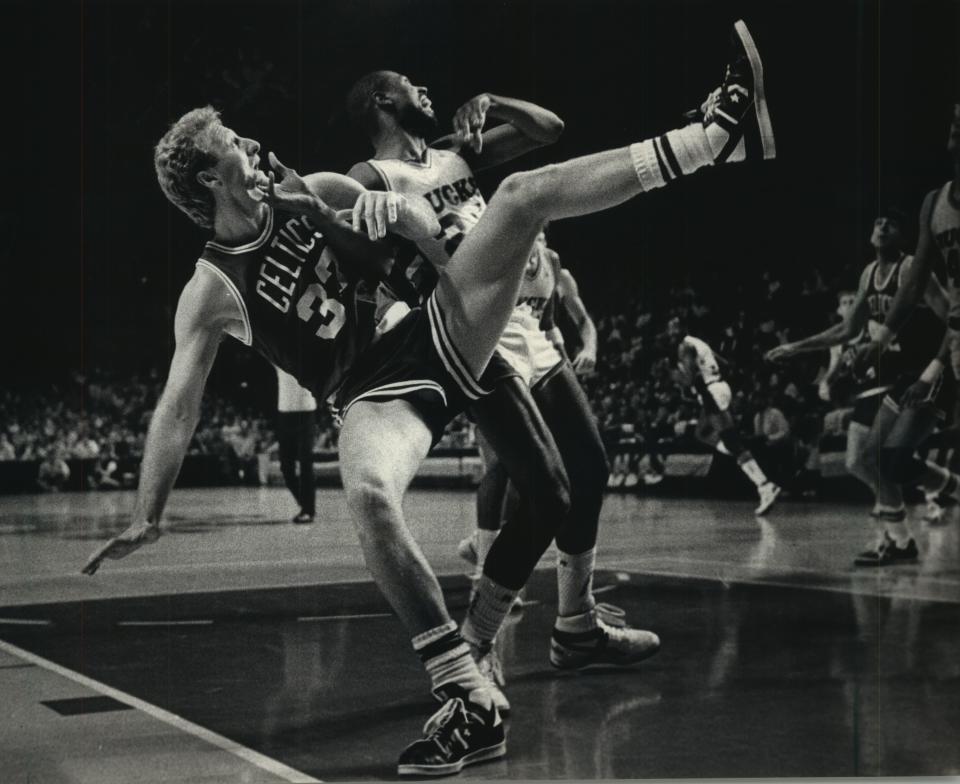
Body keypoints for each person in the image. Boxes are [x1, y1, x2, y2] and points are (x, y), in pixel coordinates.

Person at [85, 18, 774, 774]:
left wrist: (404, 224)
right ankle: (467, 695)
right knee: (370, 494)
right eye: (234, 148)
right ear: (211, 180)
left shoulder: (315, 189)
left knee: (521, 198)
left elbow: (416, 258)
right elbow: (179, 403)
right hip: (369, 390)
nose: (253, 148)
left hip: (432, 327)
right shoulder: (210, 288)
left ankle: (714, 139)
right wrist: (148, 514)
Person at [766, 208, 949, 565]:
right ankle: (939, 495)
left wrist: (936, 365)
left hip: (914, 373)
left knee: (876, 460)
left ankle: (898, 540)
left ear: (902, 234)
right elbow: (846, 330)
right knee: (861, 462)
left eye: (891, 223)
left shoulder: (911, 268)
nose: (882, 226)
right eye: (878, 221)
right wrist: (796, 347)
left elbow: (951, 315)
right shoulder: (869, 274)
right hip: (883, 379)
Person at [850, 103, 960, 563]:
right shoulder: (935, 203)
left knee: (882, 459)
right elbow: (915, 288)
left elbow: (937, 303)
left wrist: (934, 363)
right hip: (941, 352)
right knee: (881, 459)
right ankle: (910, 531)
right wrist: (876, 340)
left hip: (937, 353)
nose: (953, 124)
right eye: (952, 117)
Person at [676, 329, 781, 514]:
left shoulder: (685, 346)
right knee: (702, 433)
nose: (670, 330)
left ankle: (764, 485)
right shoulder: (700, 342)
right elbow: (725, 364)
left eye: (672, 326)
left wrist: (680, 378)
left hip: (712, 392)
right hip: (719, 387)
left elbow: (692, 378)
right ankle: (738, 454)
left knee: (732, 442)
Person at [274, 365, 318, 523]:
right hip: (284, 414)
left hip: (306, 413)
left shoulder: (309, 356)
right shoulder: (278, 358)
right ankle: (304, 502)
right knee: (286, 467)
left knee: (306, 462)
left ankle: (308, 510)